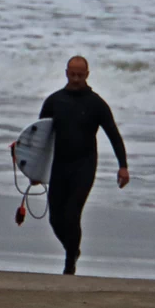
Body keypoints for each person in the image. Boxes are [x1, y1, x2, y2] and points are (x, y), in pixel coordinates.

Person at [39, 56, 129, 275]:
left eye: (80, 75)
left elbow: (114, 135)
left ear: (87, 75)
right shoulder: (54, 101)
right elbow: (40, 138)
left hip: (84, 165)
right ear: (66, 73)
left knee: (72, 214)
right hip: (59, 166)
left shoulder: (96, 104)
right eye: (73, 74)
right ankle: (73, 249)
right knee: (54, 219)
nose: (76, 79)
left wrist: (123, 166)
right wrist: (34, 169)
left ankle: (70, 262)